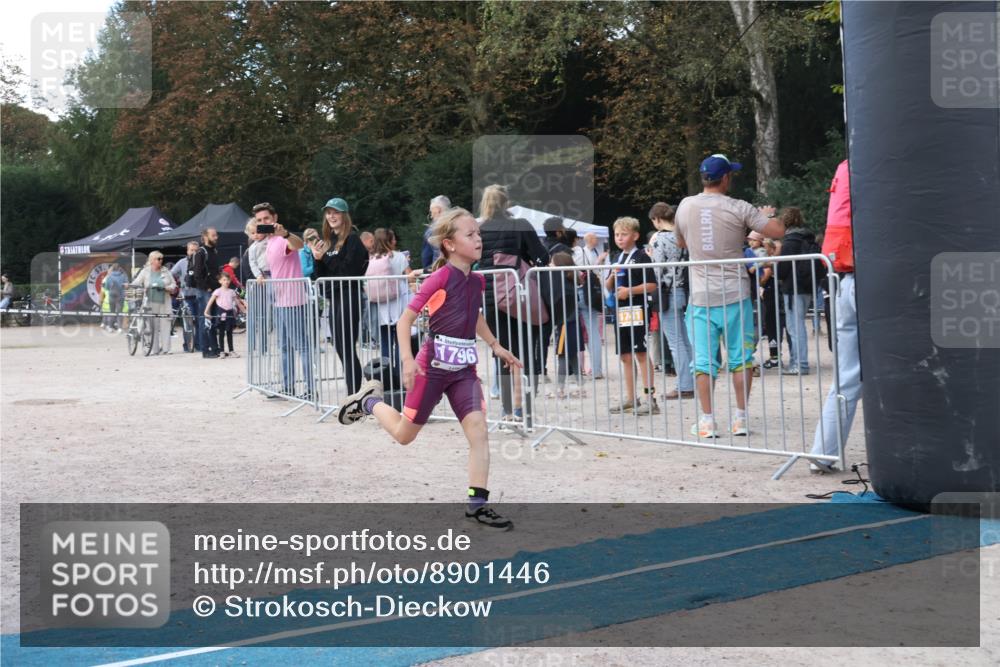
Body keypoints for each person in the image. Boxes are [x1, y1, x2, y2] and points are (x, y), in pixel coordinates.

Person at [335, 208, 522, 530]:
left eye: (478, 233)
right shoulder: (440, 278)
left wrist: (495, 345)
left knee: (479, 432)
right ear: (449, 244)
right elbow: (404, 320)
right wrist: (408, 361)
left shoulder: (476, 280)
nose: (478, 239)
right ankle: (369, 401)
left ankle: (477, 504)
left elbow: (475, 315)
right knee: (404, 435)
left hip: (463, 370)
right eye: (470, 235)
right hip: (431, 368)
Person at [674, 154, 784, 438]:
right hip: (735, 294)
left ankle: (707, 420)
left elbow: (681, 242)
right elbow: (777, 230)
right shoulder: (739, 207)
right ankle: (741, 418)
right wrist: (768, 214)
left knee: (703, 361)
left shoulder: (685, 205)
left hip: (701, 296)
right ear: (725, 178)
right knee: (741, 358)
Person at [476, 184, 550, 423]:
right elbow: (542, 256)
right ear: (507, 202)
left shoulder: (478, 230)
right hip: (519, 295)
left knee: (502, 351)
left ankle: (507, 409)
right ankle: (523, 408)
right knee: (525, 350)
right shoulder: (521, 225)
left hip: (491, 298)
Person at [809, 159, 856, 474]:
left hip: (845, 278)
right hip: (872, 279)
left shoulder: (846, 166)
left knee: (846, 376)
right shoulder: (882, 161)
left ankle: (823, 452)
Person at [255, 202, 313, 399]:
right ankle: (288, 387)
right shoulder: (269, 241)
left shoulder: (282, 238)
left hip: (293, 300)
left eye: (266, 218)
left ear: (275, 218)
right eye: (260, 220)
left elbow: (299, 245)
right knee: (284, 347)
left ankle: (310, 390)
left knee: (301, 346)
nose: (263, 222)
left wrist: (286, 234)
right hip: (280, 300)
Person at [312, 197, 368, 394]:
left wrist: (325, 258)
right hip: (334, 298)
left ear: (344, 215)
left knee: (346, 345)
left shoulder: (353, 240)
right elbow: (321, 276)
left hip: (349, 295)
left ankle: (354, 394)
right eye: (328, 213)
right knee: (339, 346)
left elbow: (347, 271)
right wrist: (318, 259)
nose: (331, 216)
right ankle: (354, 392)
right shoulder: (329, 242)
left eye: (336, 212)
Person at [605, 217, 659, 415]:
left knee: (641, 353)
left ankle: (650, 399)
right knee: (625, 355)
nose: (619, 238)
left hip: (637, 309)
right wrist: (612, 276)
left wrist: (630, 291)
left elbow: (652, 285)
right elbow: (608, 286)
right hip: (620, 311)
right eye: (617, 235)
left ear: (635, 236)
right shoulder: (617, 257)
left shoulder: (642, 256)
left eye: (624, 234)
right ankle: (630, 398)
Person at [648, 202, 695, 400]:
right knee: (685, 340)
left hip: (667, 292)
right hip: (682, 290)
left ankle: (684, 385)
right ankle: (692, 381)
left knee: (675, 343)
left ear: (658, 219)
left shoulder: (659, 238)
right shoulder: (681, 236)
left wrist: (650, 256)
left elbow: (657, 269)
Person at [776, 207, 820, 375]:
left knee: (795, 327)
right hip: (807, 286)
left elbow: (782, 270)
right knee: (799, 324)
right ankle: (798, 362)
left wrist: (775, 269)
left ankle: (800, 364)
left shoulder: (790, 242)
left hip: (792, 288)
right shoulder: (808, 239)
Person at [365, 228, 411, 367]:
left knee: (385, 339)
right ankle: (398, 372)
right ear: (389, 241)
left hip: (380, 302)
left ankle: (387, 370)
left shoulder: (371, 258)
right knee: (400, 339)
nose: (395, 241)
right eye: (393, 239)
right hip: (398, 300)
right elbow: (409, 276)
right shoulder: (399, 256)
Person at [546, 252, 586, 398]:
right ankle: (581, 387)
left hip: (565, 324)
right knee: (573, 356)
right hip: (572, 324)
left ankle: (560, 389)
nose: (549, 265)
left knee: (562, 357)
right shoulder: (570, 282)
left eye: (552, 263)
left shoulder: (562, 284)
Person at [129, 251, 177, 354]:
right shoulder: (145, 271)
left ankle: (166, 349)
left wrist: (167, 288)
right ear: (151, 260)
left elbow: (174, 284)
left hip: (165, 301)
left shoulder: (166, 271)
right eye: (158, 259)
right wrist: (129, 285)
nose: (160, 261)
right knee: (152, 326)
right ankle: (154, 349)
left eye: (161, 259)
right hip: (150, 302)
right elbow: (137, 282)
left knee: (166, 325)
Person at [578, 232, 608, 379]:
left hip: (583, 292)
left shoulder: (592, 251)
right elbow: (588, 271)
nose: (597, 240)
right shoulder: (583, 253)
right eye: (595, 238)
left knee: (587, 331)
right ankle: (593, 369)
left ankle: (587, 369)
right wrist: (599, 261)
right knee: (592, 331)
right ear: (589, 239)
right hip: (587, 292)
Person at [191, 227, 223, 358]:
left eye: (216, 235)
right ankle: (205, 350)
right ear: (205, 237)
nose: (216, 237)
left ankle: (215, 348)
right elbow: (197, 274)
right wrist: (206, 288)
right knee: (205, 319)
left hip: (215, 291)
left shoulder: (214, 251)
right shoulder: (200, 252)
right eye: (213, 235)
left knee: (214, 320)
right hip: (205, 292)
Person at [205, 270, 246, 357]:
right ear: (220, 281)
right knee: (221, 333)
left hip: (230, 313)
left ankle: (231, 351)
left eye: (228, 280)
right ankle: (222, 351)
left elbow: (238, 303)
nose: (226, 281)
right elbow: (210, 302)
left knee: (229, 333)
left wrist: (245, 311)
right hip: (221, 313)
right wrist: (206, 312)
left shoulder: (232, 292)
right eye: (224, 280)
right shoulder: (217, 291)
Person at [170, 242, 201, 350]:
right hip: (186, 296)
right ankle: (187, 345)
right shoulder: (182, 262)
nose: (194, 252)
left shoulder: (202, 262)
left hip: (199, 296)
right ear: (187, 251)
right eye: (191, 250)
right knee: (188, 321)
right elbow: (171, 273)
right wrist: (176, 283)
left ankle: (198, 345)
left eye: (196, 250)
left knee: (199, 321)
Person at [421, 195, 450, 270]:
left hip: (439, 273)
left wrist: (425, 271)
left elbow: (434, 261)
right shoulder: (457, 227)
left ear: (438, 210)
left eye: (431, 212)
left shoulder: (433, 231)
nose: (431, 216)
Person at [100, 264, 126, 331]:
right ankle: (120, 328)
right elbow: (126, 285)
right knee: (119, 312)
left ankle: (110, 327)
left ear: (113, 269)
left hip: (111, 296)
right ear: (119, 268)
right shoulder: (123, 276)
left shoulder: (109, 277)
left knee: (112, 312)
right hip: (120, 296)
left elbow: (107, 287)